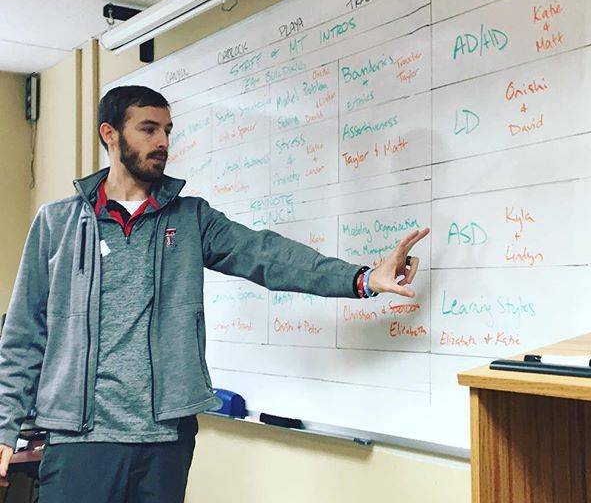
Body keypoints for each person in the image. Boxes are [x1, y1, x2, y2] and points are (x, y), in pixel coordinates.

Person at [0, 86, 429, 502]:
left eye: (168, 130)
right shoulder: (57, 223)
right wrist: (5, 426)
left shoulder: (191, 219)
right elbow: (23, 333)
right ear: (109, 134)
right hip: (81, 441)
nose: (163, 141)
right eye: (148, 129)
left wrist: (363, 278)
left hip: (166, 440)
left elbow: (268, 255)